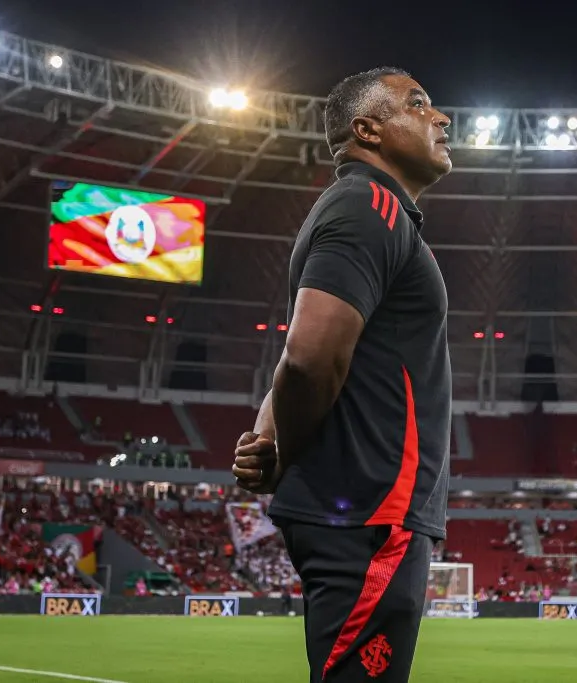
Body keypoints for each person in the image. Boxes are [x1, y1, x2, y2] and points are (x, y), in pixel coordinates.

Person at [232, 66, 453, 683]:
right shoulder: (367, 206)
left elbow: (301, 348)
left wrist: (270, 437)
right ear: (368, 129)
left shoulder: (370, 211)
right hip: (369, 508)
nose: (440, 118)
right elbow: (307, 358)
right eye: (419, 104)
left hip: (360, 509)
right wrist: (282, 450)